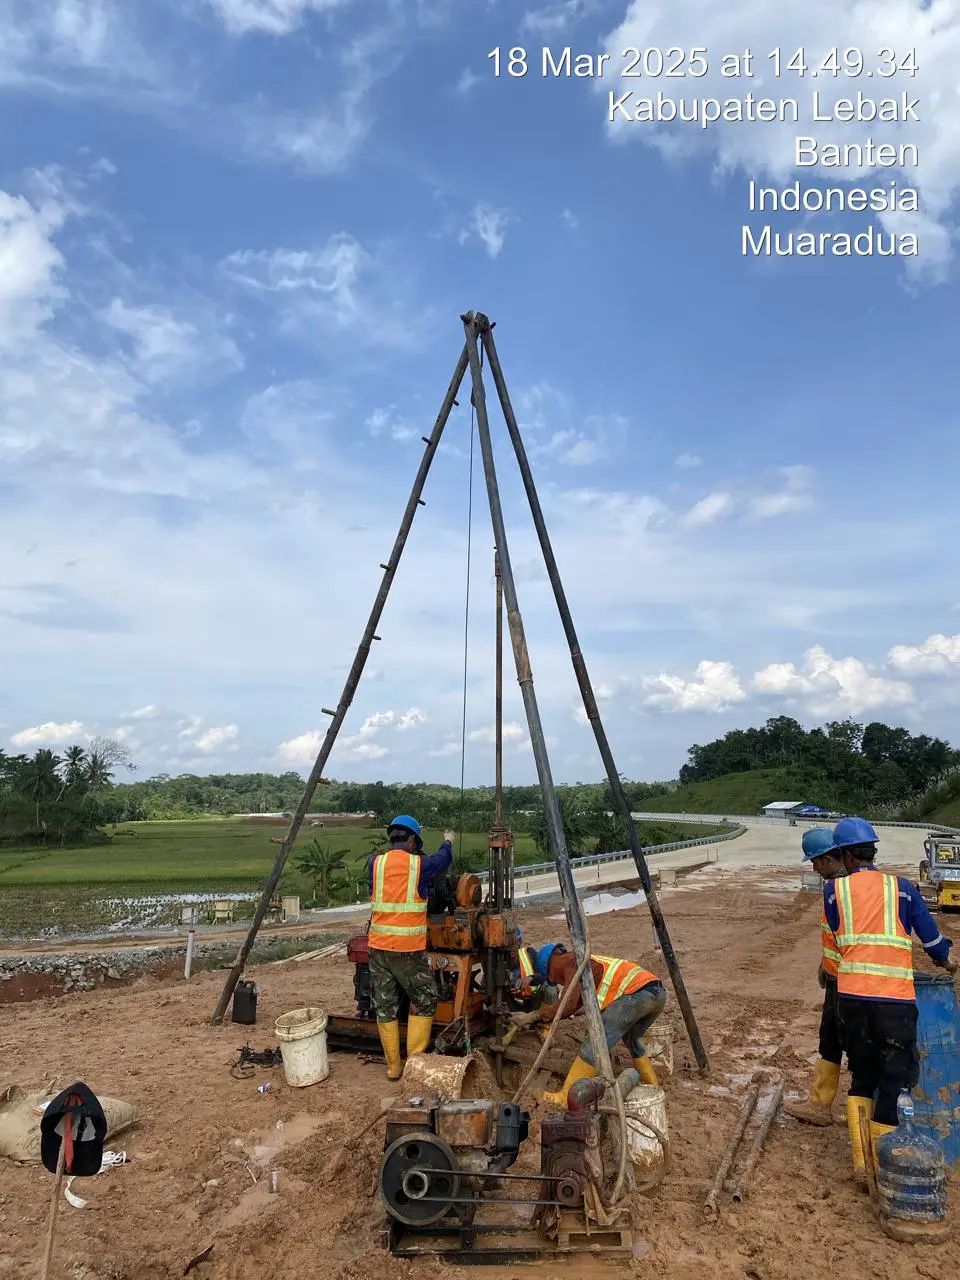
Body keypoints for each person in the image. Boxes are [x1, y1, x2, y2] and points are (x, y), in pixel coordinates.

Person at [823, 816, 957, 1181]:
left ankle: (861, 1164)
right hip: (893, 999)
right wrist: (947, 959)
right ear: (870, 851)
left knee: (862, 1077)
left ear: (846, 855)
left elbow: (834, 945)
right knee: (895, 1078)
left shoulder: (834, 893)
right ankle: (885, 1161)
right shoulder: (901, 889)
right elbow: (930, 939)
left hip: (851, 998)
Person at [366, 815, 454, 1080]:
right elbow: (442, 861)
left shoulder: (375, 863)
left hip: (377, 947)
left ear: (391, 838)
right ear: (413, 839)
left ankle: (393, 1067)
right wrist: (448, 842)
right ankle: (415, 1062)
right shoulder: (419, 865)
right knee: (426, 999)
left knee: (384, 1005)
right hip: (406, 949)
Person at [532, 943, 666, 1106]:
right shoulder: (587, 962)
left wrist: (534, 1016)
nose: (557, 981)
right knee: (631, 1038)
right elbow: (573, 1005)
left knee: (596, 1041)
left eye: (553, 979)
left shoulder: (572, 962)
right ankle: (651, 1085)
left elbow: (566, 1005)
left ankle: (565, 1097)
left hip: (636, 993)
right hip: (656, 992)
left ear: (549, 968)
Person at [784, 827, 848, 1126]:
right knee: (857, 1041)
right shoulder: (858, 881)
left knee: (832, 1039)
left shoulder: (836, 889)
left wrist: (829, 967)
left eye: (815, 862)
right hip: (855, 976)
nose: (814, 868)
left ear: (826, 858)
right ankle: (864, 1107)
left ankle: (821, 1105)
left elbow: (842, 934)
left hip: (844, 979)